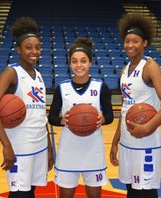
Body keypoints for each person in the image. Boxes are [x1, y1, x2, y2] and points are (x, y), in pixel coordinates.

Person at [0, 17, 54, 197]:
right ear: (19, 50)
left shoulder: (38, 75)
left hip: (39, 144)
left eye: (37, 47)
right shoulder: (11, 72)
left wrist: (49, 148)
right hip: (20, 146)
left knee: (31, 191)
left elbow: (41, 114)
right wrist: (6, 144)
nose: (34, 51)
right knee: (19, 193)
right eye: (28, 47)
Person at [109, 14, 161, 198]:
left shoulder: (150, 67)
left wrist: (147, 127)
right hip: (127, 143)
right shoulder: (125, 70)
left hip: (146, 142)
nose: (130, 45)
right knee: (131, 190)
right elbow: (124, 110)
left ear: (145, 43)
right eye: (127, 41)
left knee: (145, 192)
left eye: (135, 41)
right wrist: (115, 142)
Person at [48, 37, 114, 198]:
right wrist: (61, 120)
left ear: (90, 63)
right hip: (69, 150)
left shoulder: (101, 87)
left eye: (83, 61)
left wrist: (103, 119)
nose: (79, 65)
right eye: (75, 61)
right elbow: (51, 118)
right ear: (70, 64)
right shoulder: (62, 88)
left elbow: (110, 116)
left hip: (93, 150)